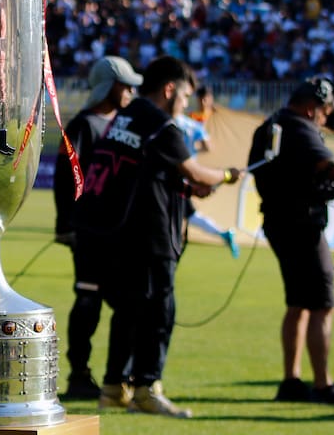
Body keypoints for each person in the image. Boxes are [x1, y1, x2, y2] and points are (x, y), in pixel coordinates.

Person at [74, 55, 244, 418]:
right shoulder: (158, 122)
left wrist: (186, 186)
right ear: (170, 90)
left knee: (128, 312)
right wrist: (227, 176)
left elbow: (153, 171)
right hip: (149, 236)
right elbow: (195, 170)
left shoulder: (127, 116)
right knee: (158, 312)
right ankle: (148, 388)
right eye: (184, 97)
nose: (185, 105)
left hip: (115, 234)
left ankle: (113, 387)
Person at [248, 78, 334, 406]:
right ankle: (323, 385)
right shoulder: (299, 128)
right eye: (325, 111)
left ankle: (291, 381)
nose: (326, 118)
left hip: (278, 221)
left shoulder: (269, 126)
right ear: (311, 107)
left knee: (298, 304)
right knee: (322, 304)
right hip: (302, 225)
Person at [53, 56, 143, 399]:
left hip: (122, 235)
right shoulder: (82, 125)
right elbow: (65, 179)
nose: (132, 91)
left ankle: (119, 377)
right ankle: (79, 373)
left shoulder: (128, 124)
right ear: (109, 86)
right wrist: (65, 224)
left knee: (128, 306)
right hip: (89, 233)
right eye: (126, 84)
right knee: (88, 301)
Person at [175, 112, 239, 258]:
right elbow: (207, 146)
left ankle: (222, 233)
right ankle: (222, 233)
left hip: (182, 175)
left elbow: (196, 173)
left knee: (188, 214)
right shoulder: (192, 124)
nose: (185, 103)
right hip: (187, 175)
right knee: (188, 214)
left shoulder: (169, 122)